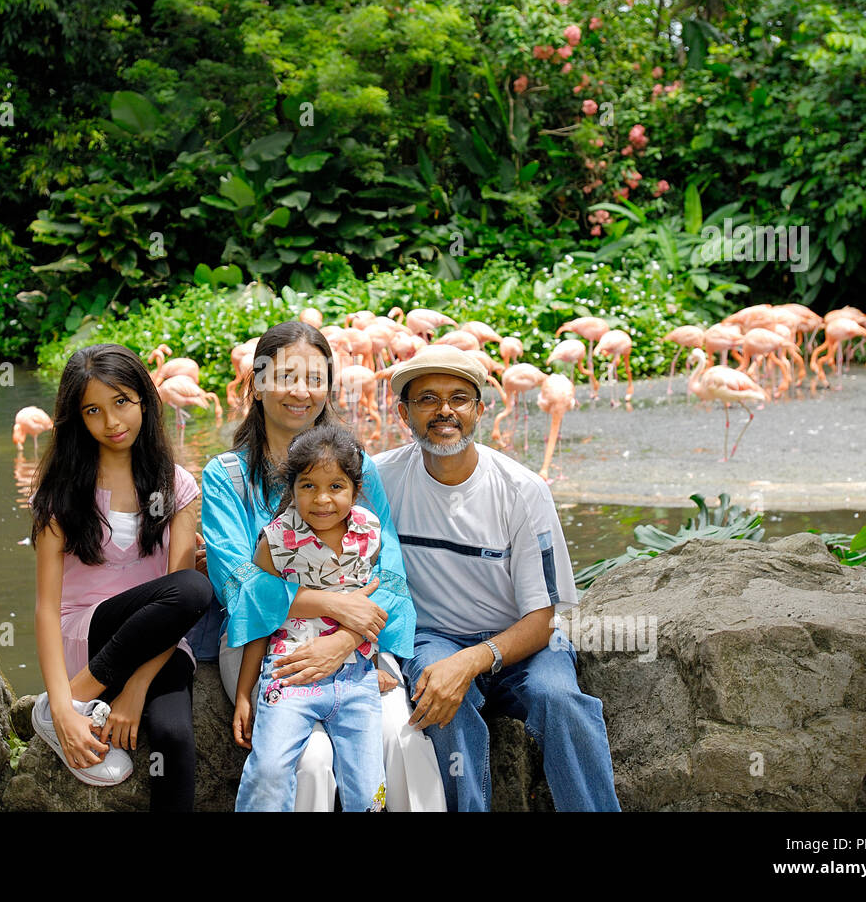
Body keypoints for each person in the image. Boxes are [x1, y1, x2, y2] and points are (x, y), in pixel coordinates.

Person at [200, 319, 445, 811]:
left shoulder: (357, 467)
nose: (300, 391)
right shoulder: (225, 476)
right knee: (306, 760)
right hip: (264, 641)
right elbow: (239, 584)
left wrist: (347, 638)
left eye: (315, 378)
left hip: (361, 639)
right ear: (256, 383)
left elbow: (389, 574)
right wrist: (336, 605)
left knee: (401, 734)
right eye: (286, 375)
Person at [373, 345, 621, 812]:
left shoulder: (522, 490)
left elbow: (544, 618)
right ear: (404, 413)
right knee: (440, 700)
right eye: (427, 398)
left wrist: (473, 660)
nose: (444, 410)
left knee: (561, 700)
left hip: (523, 642)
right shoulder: (381, 479)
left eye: (459, 398)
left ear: (479, 410)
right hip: (435, 636)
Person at [28, 344, 210, 811]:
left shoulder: (176, 486)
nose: (112, 422)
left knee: (172, 735)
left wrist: (135, 689)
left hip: (159, 646)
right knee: (192, 587)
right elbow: (46, 609)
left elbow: (177, 610)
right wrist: (65, 703)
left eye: (122, 402)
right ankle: (64, 706)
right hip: (91, 634)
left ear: (145, 401)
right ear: (78, 419)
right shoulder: (62, 493)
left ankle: (71, 702)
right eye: (93, 410)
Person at [233, 426, 393, 811]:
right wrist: (244, 692)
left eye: (336, 486)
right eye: (308, 486)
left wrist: (373, 663)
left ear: (355, 490)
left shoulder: (370, 532)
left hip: (356, 677)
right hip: (291, 673)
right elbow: (260, 617)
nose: (322, 500)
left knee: (370, 790)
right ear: (292, 487)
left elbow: (373, 599)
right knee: (269, 769)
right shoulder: (275, 542)